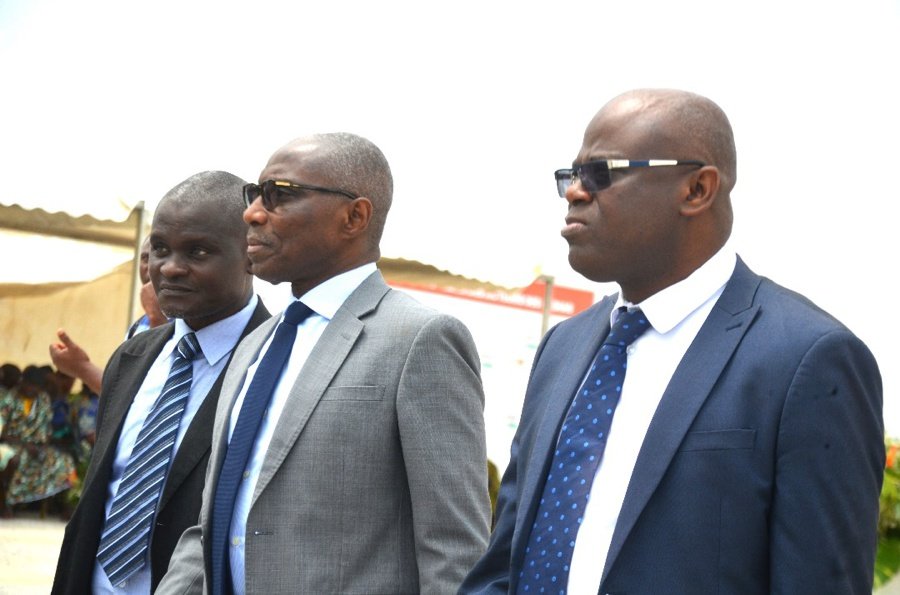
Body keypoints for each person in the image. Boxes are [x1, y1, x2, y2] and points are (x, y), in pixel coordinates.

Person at [460, 89, 884, 594]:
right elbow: (506, 561)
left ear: (697, 189)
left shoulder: (807, 359)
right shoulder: (563, 348)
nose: (575, 192)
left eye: (601, 173)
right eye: (571, 175)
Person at [159, 133, 490, 594]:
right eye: (254, 194)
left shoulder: (421, 339)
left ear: (354, 217)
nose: (252, 213)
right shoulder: (256, 346)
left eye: (278, 195)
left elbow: (453, 546)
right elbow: (214, 524)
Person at [52, 171, 271, 594]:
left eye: (198, 251)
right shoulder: (131, 358)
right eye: (159, 249)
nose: (169, 268)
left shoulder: (278, 363)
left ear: (251, 254)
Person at [50, 237, 168, 395]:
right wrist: (80, 367)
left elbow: (166, 388)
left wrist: (157, 319)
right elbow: (123, 393)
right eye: (145, 258)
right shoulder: (139, 326)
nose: (150, 267)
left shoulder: (192, 321)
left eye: (159, 256)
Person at [0, 365, 76, 517]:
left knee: (65, 461)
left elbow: (46, 430)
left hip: (36, 447)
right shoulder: (7, 400)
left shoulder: (43, 399)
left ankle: (67, 507)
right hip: (12, 445)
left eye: (36, 387)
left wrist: (41, 446)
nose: (32, 390)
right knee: (15, 459)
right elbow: (2, 433)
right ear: (22, 382)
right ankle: (4, 503)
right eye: (30, 386)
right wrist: (25, 445)